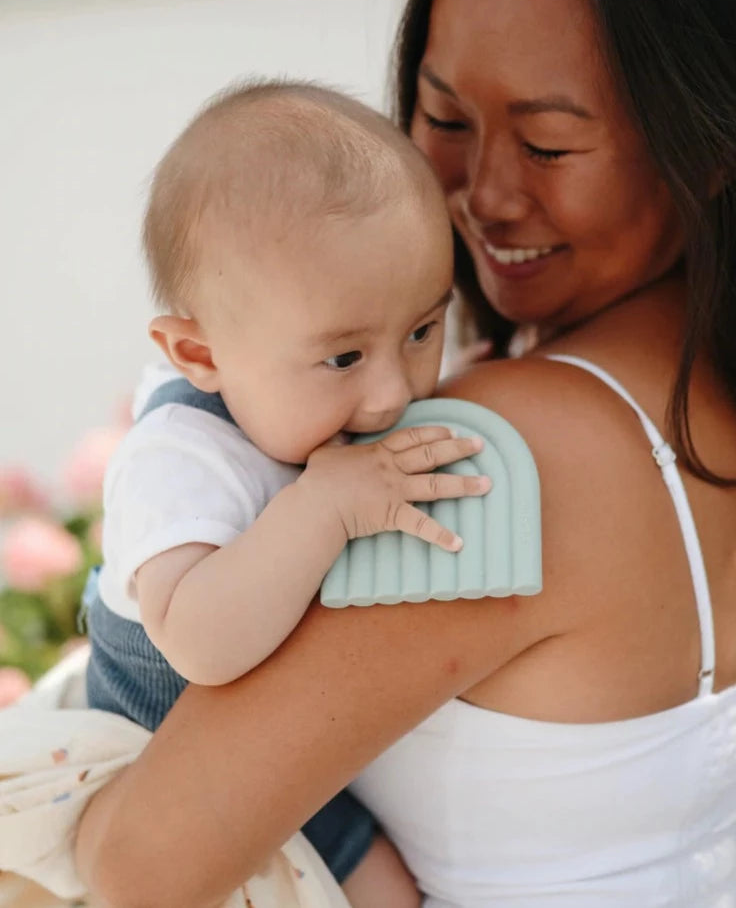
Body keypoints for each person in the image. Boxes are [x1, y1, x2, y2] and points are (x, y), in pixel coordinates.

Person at [75, 0, 736, 905]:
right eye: (446, 118)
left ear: (711, 138)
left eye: (549, 143)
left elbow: (139, 861)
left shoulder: (494, 456)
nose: (484, 193)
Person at [83, 80, 491, 908]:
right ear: (199, 355)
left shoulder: (295, 384)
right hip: (172, 771)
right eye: (343, 358)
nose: (390, 393)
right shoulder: (179, 460)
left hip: (284, 753)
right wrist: (321, 509)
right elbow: (200, 640)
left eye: (420, 330)